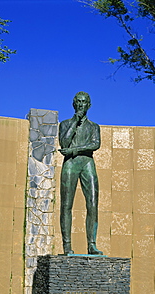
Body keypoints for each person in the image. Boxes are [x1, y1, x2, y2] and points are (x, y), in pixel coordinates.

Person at [59, 92, 103, 256]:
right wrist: (75, 121)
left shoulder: (93, 127)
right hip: (70, 164)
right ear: (73, 104)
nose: (81, 105)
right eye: (78, 102)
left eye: (84, 102)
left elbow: (95, 144)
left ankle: (92, 244)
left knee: (92, 204)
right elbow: (64, 142)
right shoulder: (64, 124)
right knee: (66, 205)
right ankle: (67, 246)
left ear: (88, 105)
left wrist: (75, 149)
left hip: (87, 163)